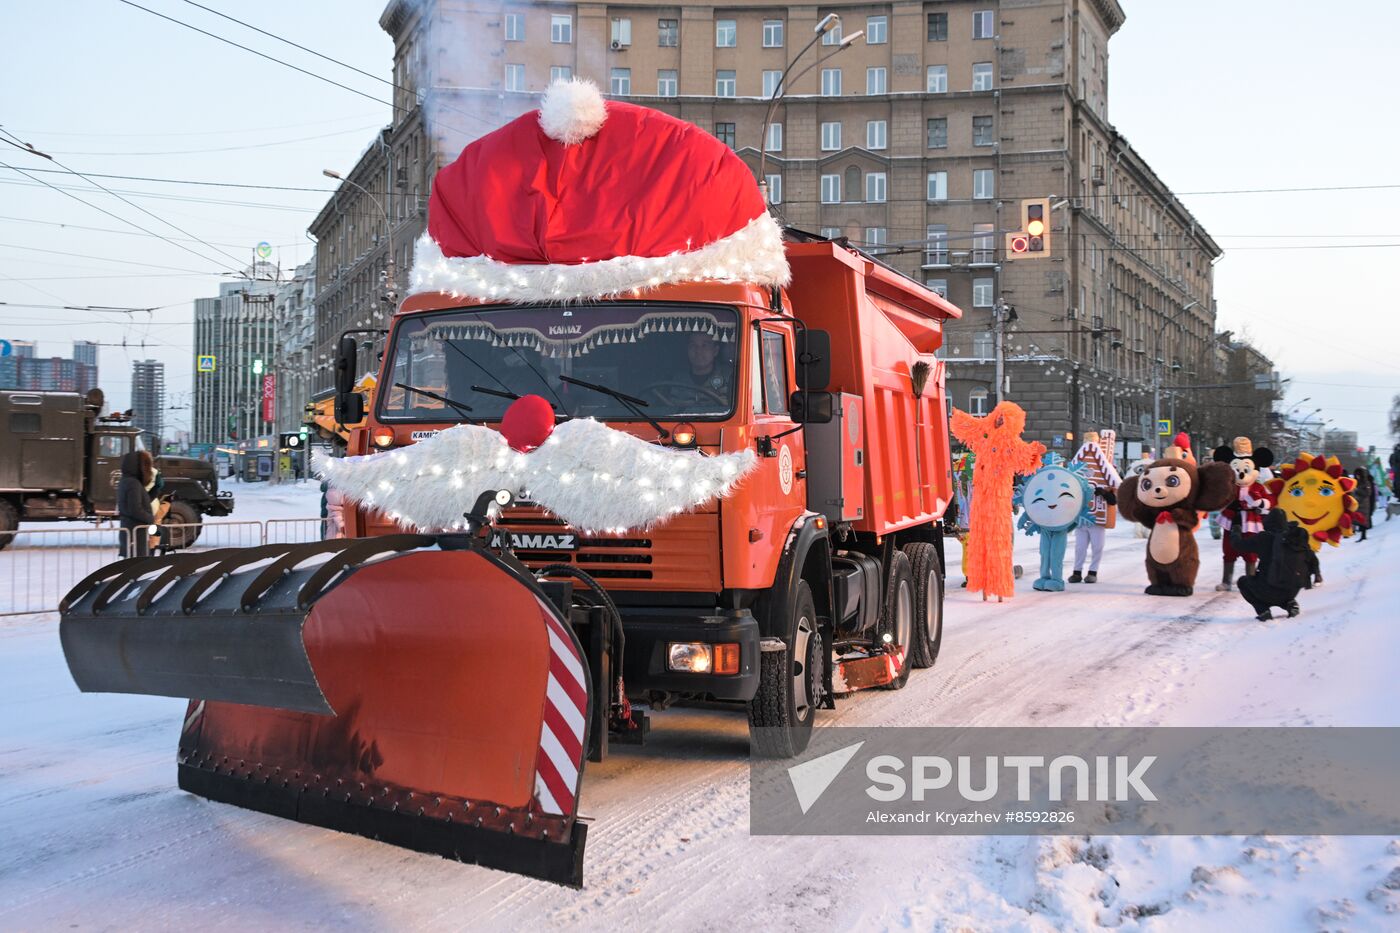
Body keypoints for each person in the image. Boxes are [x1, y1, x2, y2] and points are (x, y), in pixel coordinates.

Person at [1231, 510, 1320, 621]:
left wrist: (1236, 529)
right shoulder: (1295, 537)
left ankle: (1263, 611)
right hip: (1293, 589)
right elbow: (1312, 559)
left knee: (1243, 582)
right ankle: (1290, 604)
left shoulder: (1263, 538)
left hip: (1268, 588)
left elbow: (1237, 545)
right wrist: (1316, 575)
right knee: (1281, 587)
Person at [116, 450, 156, 558]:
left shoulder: (126, 481)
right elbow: (135, 509)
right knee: (137, 567)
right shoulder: (133, 484)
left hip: (131, 532)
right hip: (135, 534)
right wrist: (150, 518)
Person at [685, 331, 731, 396]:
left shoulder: (730, 378)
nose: (698, 351)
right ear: (687, 350)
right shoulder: (676, 379)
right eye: (693, 345)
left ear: (715, 351)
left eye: (704, 345)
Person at [1351, 467, 1375, 542]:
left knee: (1363, 520)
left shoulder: (1366, 482)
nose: (1357, 476)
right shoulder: (1355, 482)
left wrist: (1357, 490)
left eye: (1359, 474)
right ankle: (1361, 535)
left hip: (1364, 504)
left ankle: (1363, 536)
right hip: (1357, 503)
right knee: (1358, 519)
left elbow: (1368, 493)